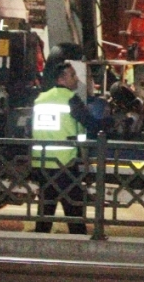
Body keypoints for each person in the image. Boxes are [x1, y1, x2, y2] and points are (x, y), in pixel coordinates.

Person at [31, 61, 101, 234]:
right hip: (65, 165)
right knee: (74, 208)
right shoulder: (70, 99)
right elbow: (90, 123)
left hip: (42, 163)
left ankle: (38, 245)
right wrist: (112, 123)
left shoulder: (40, 99)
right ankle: (79, 245)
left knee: (46, 209)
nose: (77, 79)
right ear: (62, 78)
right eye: (73, 75)